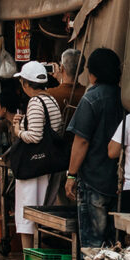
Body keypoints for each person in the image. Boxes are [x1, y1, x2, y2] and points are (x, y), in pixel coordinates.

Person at [65, 48, 124, 260]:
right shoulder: (125, 98)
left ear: (93, 74)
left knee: (91, 238)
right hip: (118, 180)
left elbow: (81, 142)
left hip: (93, 178)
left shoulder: (92, 99)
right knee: (112, 240)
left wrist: (70, 174)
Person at [4, 61, 62, 260]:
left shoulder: (36, 103)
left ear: (26, 83)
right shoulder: (51, 100)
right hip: (47, 167)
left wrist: (18, 130)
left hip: (33, 169)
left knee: (26, 215)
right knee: (37, 215)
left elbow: (35, 137)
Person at [45, 49, 86, 205]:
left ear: (61, 68)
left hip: (55, 157)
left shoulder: (50, 94)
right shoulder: (87, 94)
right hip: (81, 158)